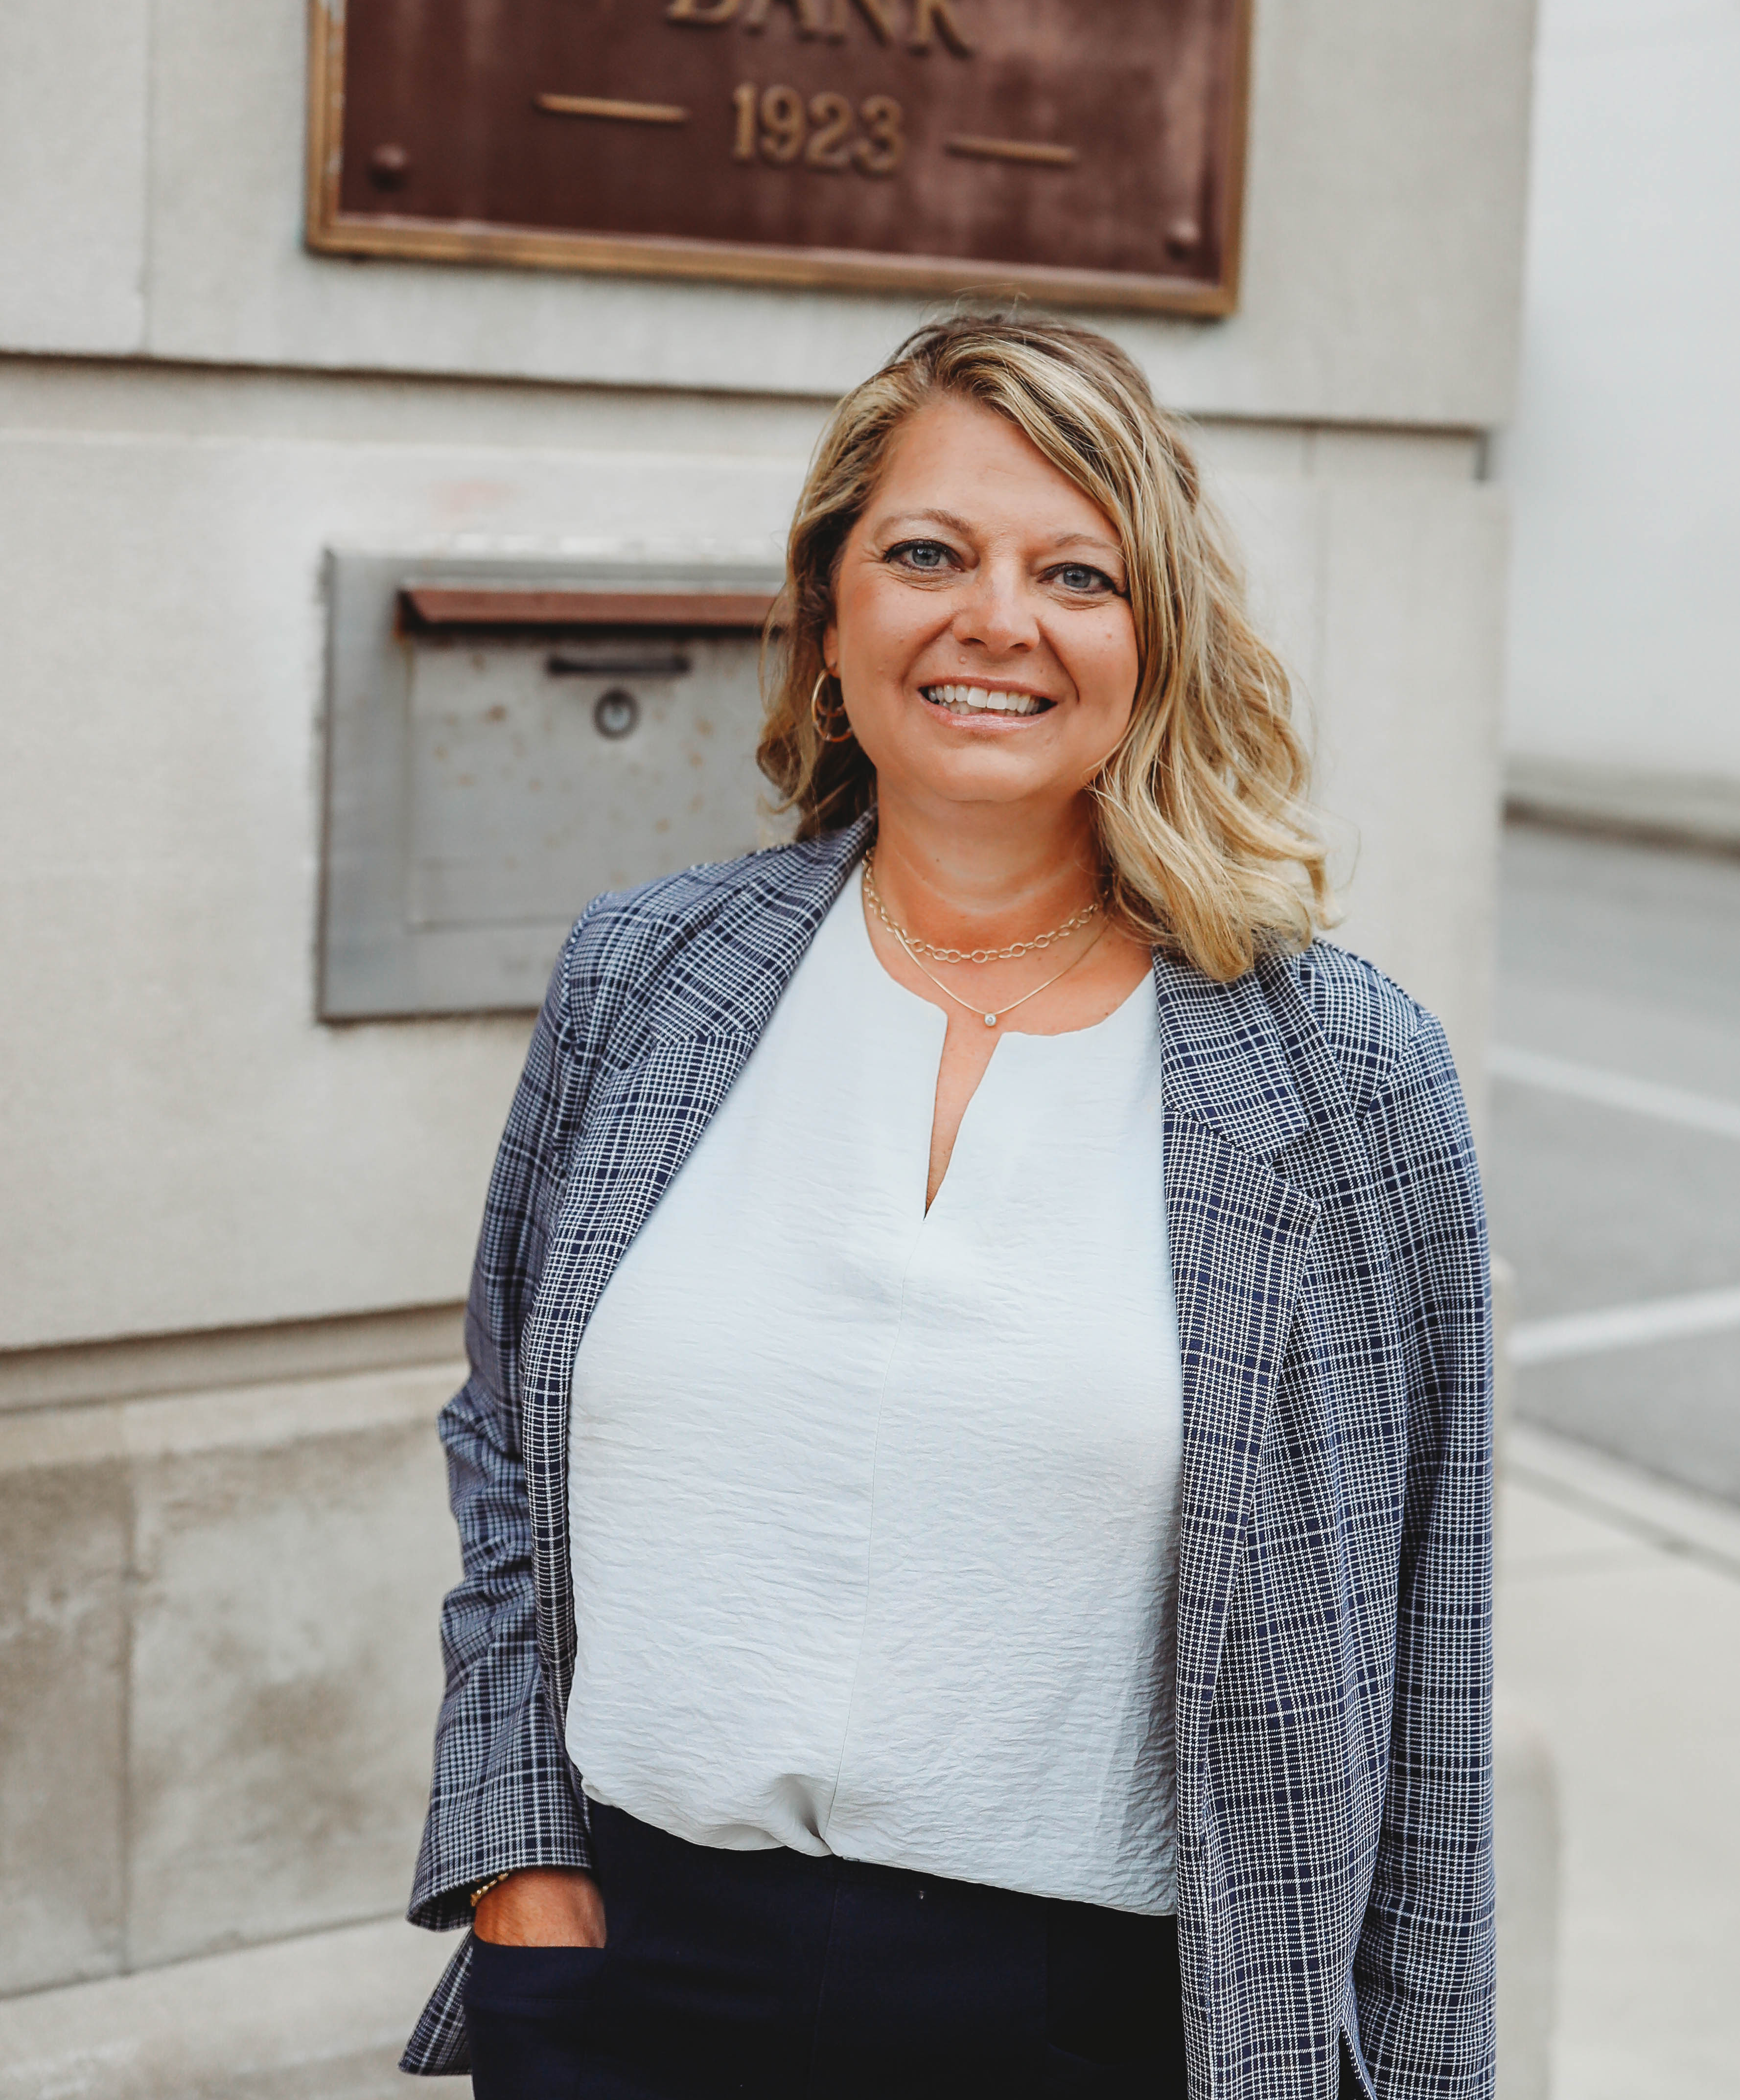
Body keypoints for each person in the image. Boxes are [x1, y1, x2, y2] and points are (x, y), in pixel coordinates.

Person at [399, 313, 1493, 2100]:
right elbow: (504, 1448)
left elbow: (1428, 1659)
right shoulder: (649, 975)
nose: (995, 618)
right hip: (628, 1978)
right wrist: (521, 1865)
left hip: (1096, 2020)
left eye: (1075, 570)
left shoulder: (1339, 1075)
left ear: (1154, 642)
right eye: (925, 554)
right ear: (832, 615)